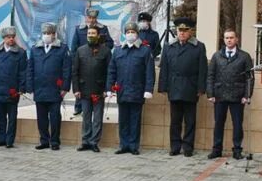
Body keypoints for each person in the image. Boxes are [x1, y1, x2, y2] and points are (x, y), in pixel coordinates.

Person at [158, 17, 208, 157]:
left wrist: (201, 88)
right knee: (175, 120)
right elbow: (164, 68)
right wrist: (163, 87)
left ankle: (188, 147)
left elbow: (202, 69)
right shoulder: (169, 46)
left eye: (185, 30)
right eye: (180, 30)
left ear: (191, 31)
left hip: (191, 88)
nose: (182, 33)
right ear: (176, 31)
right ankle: (175, 146)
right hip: (174, 87)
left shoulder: (198, 46)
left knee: (190, 120)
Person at [107, 22, 155, 155]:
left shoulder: (145, 51)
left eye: (132, 32)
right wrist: (110, 88)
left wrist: (148, 89)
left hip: (137, 91)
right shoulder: (118, 51)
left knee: (135, 120)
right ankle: (124, 145)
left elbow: (149, 72)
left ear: (137, 34)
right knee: (123, 120)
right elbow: (112, 71)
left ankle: (133, 145)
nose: (130, 34)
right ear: (124, 34)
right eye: (128, 32)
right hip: (122, 91)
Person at [207, 30, 254, 160]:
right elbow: (210, 76)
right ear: (224, 39)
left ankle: (237, 150)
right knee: (218, 124)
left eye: (231, 38)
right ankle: (216, 149)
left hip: (237, 96)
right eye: (226, 38)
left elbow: (249, 78)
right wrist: (210, 93)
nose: (229, 40)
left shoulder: (244, 56)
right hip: (219, 95)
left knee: (238, 124)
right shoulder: (217, 56)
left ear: (236, 39)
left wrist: (247, 95)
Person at [27, 22, 71, 151]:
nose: (47, 36)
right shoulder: (35, 49)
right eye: (45, 33)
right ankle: (44, 140)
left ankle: (55, 141)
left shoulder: (62, 48)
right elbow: (30, 68)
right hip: (39, 88)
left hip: (55, 89)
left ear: (54, 34)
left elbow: (66, 69)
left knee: (55, 117)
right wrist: (30, 86)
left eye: (49, 33)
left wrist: (65, 87)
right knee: (41, 117)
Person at [72, 24, 112, 152]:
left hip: (99, 90)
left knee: (97, 118)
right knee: (86, 117)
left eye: (93, 33)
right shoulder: (80, 50)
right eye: (89, 34)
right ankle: (85, 141)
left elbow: (110, 71)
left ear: (98, 35)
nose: (90, 36)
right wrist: (76, 89)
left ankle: (94, 142)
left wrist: (107, 89)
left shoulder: (105, 51)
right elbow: (75, 71)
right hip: (84, 90)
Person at [0, 27, 28, 148]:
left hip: (12, 90)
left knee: (12, 117)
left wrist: (21, 88)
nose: (11, 39)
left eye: (13, 37)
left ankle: (10, 141)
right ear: (3, 38)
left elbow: (23, 72)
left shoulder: (20, 52)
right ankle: (1, 139)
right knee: (0, 117)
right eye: (8, 37)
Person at [70, 7, 112, 115]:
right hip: (82, 60)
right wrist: (76, 60)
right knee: (81, 84)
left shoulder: (103, 29)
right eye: (90, 17)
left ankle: (91, 109)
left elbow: (110, 44)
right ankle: (78, 107)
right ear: (86, 17)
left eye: (94, 18)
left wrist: (101, 46)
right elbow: (74, 47)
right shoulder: (79, 29)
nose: (92, 20)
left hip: (97, 59)